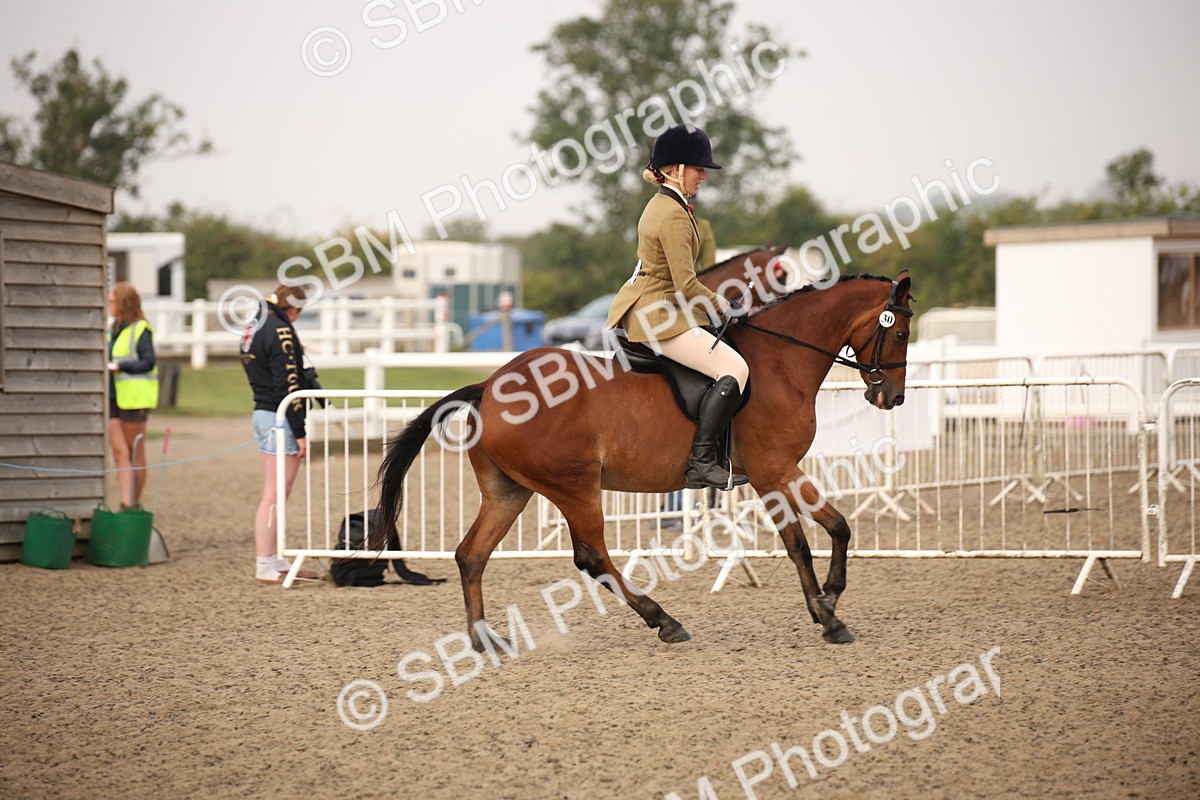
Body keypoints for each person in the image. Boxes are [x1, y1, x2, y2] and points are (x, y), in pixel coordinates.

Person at [606, 123, 750, 490]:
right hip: (657, 315)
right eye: (699, 168)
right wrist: (724, 307)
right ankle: (702, 462)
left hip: (652, 306)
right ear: (676, 170)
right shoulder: (672, 214)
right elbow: (685, 284)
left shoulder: (664, 203)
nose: (704, 175)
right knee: (735, 368)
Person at [241, 284, 318, 584]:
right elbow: (289, 383)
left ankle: (274, 560)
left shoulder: (254, 325)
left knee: (274, 493)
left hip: (262, 411)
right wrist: (300, 431)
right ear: (295, 309)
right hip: (279, 415)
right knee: (275, 495)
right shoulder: (281, 331)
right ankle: (265, 563)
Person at [107, 283, 159, 509]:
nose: (108, 305)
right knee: (120, 453)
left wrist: (121, 366)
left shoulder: (141, 329)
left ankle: (133, 505)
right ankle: (125, 504)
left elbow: (148, 362)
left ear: (124, 303)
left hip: (134, 400)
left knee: (135, 453)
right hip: (112, 398)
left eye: (112, 301)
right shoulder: (112, 330)